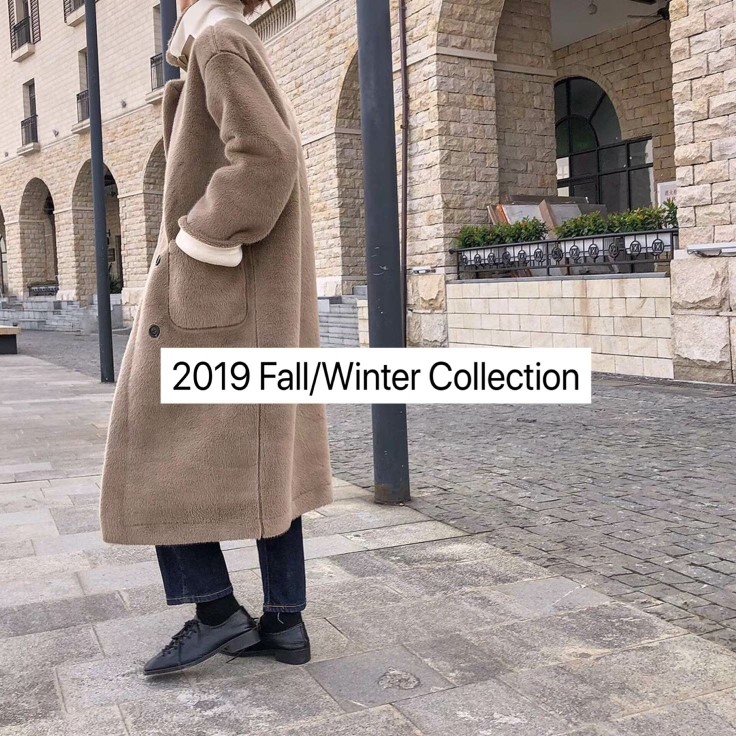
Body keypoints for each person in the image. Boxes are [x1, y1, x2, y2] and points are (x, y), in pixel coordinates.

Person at [97, 0, 333, 676]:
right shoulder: (230, 39)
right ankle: (284, 622)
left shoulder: (218, 41)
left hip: (217, 306)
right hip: (250, 308)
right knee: (272, 454)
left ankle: (214, 611)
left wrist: (197, 239)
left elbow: (267, 158)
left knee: (152, 448)